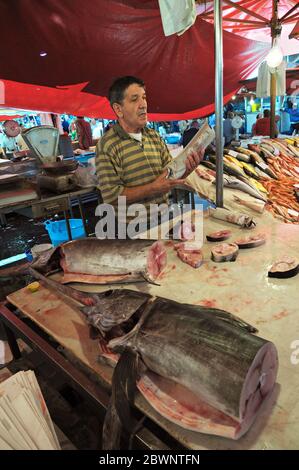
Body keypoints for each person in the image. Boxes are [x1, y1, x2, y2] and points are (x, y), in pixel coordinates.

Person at [95, 76, 203, 223]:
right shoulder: (107, 145)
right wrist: (153, 188)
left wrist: (188, 167)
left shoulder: (154, 136)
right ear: (118, 109)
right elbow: (112, 196)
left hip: (164, 220)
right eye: (134, 99)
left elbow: (171, 174)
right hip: (132, 228)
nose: (143, 105)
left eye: (144, 98)